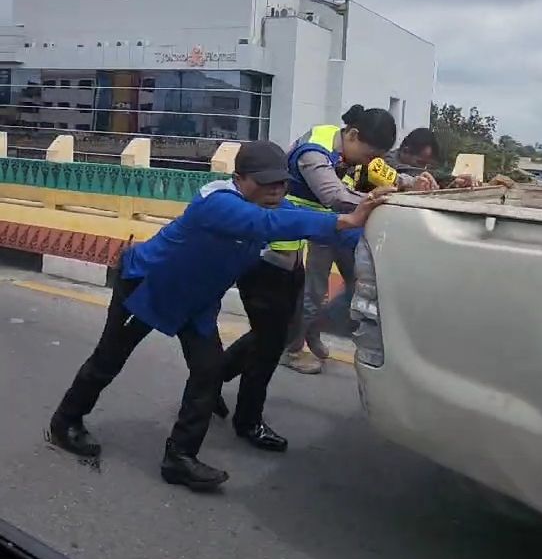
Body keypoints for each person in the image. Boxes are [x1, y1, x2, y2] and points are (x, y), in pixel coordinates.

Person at [49, 141, 388, 493]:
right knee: (108, 360)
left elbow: (313, 224)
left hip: (198, 301)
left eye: (281, 183)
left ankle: (179, 457)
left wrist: (378, 216)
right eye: (266, 182)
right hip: (148, 288)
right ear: (239, 178)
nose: (276, 190)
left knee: (208, 371)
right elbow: (270, 223)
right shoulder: (217, 203)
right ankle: (65, 421)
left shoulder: (272, 206)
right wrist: (347, 218)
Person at [217, 107, 432, 452]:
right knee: (271, 341)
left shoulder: (347, 146)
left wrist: (412, 184)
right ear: (353, 136)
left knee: (277, 332)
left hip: (293, 247)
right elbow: (335, 196)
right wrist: (386, 200)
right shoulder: (315, 153)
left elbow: (384, 173)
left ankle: (213, 380)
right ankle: (247, 420)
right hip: (268, 253)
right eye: (369, 153)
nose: (371, 161)